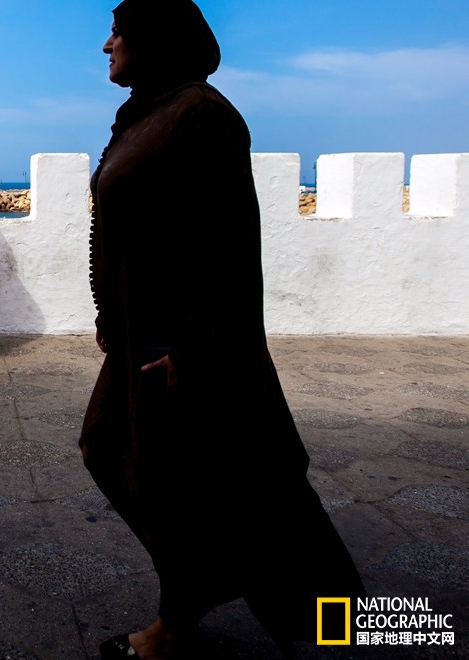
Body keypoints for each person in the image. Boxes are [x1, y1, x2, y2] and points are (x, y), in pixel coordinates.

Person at [80, 2, 365, 657]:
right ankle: (200, 598)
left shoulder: (202, 115)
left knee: (223, 488)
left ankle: (195, 622)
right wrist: (110, 313)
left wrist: (194, 349)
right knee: (135, 460)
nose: (106, 45)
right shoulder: (153, 111)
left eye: (118, 31)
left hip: (178, 346)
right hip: (141, 337)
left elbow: (226, 245)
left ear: (153, 38)